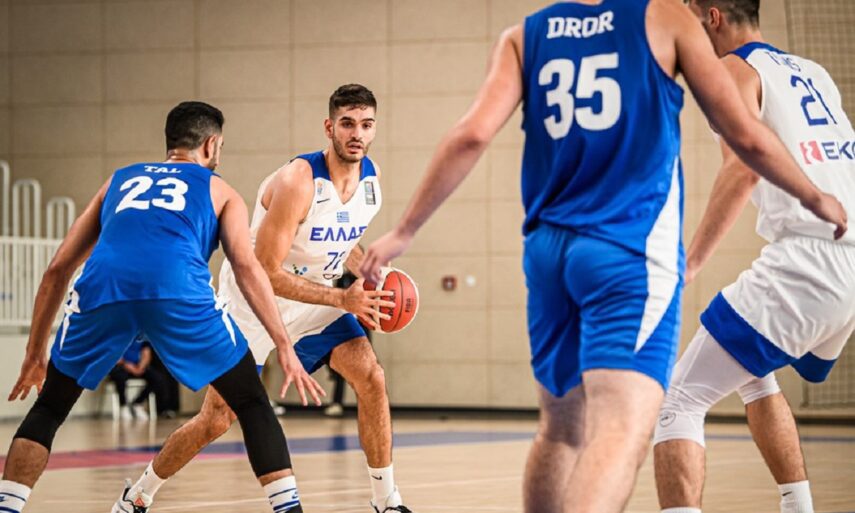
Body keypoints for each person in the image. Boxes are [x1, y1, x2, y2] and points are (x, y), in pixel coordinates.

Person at [360, 1, 848, 512]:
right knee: (624, 425)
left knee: (561, 427)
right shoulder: (666, 21)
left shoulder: (524, 35)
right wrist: (814, 196)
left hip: (549, 252)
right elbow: (748, 139)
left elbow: (471, 135)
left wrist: (405, 230)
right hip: (628, 252)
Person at [0, 101, 324, 513]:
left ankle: (7, 506)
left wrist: (34, 354)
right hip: (177, 291)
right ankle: (289, 509)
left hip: (104, 288)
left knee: (50, 406)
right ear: (212, 145)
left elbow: (57, 269)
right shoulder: (220, 190)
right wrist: (283, 343)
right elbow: (247, 268)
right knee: (251, 403)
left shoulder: (119, 179)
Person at [118, 85, 416, 513]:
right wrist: (341, 299)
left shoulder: (371, 180)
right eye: (347, 124)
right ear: (329, 127)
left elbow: (343, 239)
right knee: (216, 419)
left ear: (374, 129)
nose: (357, 133)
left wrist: (373, 271)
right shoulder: (298, 181)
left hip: (316, 301)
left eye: (366, 125)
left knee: (371, 377)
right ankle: (140, 493)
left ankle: (387, 500)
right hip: (253, 302)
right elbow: (266, 272)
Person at [651, 2, 855, 513]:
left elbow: (742, 169)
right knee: (752, 372)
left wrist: (691, 262)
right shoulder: (813, 72)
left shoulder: (731, 69)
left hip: (811, 260)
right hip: (846, 255)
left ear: (712, 17)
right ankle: (798, 507)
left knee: (680, 399)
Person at [108, 336, 170, 420]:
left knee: (158, 378)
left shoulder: (142, 336)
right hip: (121, 366)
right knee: (120, 377)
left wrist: (141, 366)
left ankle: (137, 403)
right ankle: (123, 405)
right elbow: (113, 355)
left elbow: (146, 353)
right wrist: (127, 365)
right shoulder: (116, 335)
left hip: (137, 366)